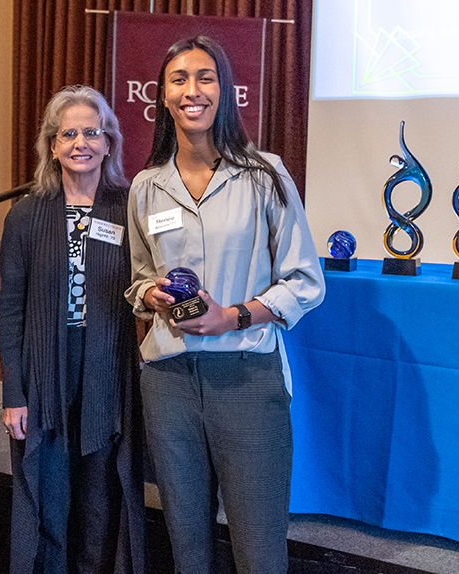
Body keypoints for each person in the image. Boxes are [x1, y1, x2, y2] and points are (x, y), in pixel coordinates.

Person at [125, 37, 326, 574]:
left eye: (205, 77)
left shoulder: (265, 174)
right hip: (167, 379)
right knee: (188, 548)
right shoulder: (146, 186)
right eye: (179, 80)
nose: (193, 90)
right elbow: (139, 278)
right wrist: (150, 294)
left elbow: (306, 281)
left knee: (259, 551)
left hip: (247, 375)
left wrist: (234, 315)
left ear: (226, 90)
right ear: (162, 96)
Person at [0, 85, 144, 574]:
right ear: (52, 145)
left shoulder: (129, 208)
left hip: (109, 369)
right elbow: (11, 307)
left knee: (102, 492)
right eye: (69, 134)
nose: (81, 142)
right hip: (44, 374)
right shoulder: (25, 215)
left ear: (108, 143)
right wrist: (13, 392)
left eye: (91, 132)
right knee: (49, 490)